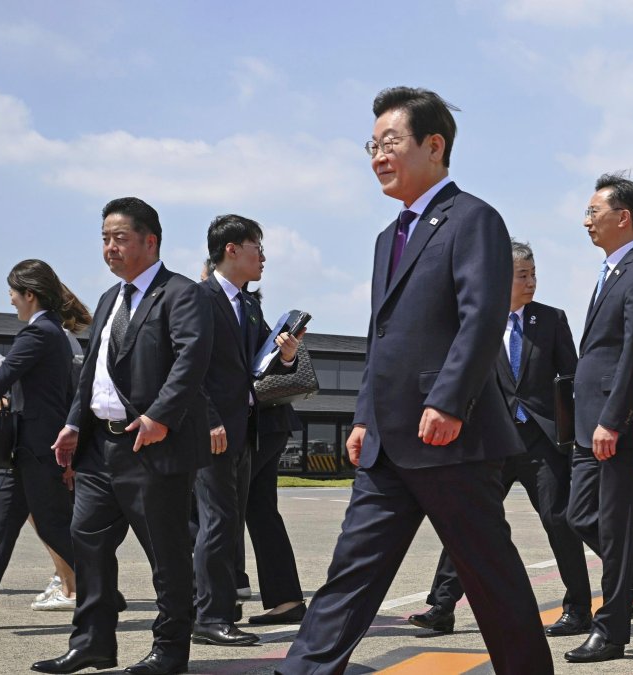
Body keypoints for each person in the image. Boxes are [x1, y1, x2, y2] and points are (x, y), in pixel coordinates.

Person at [279, 87, 552, 675]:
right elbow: (381, 339)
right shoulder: (388, 238)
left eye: (390, 143)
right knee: (351, 573)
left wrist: (449, 401)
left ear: (435, 145)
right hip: (387, 444)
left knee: (491, 579)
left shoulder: (474, 218)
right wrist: (361, 416)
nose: (378, 155)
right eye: (371, 146)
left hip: (450, 439)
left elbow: (481, 317)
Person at [33, 197, 214, 675]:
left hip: (151, 444)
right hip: (99, 448)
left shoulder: (181, 294)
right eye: (104, 239)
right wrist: (74, 423)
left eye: (120, 238)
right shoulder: (111, 299)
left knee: (166, 552)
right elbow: (94, 371)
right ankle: (92, 641)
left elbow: (191, 359)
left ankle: (170, 651)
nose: (110, 248)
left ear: (150, 241)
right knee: (85, 539)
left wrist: (161, 416)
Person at [409, 239, 591, 637]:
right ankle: (442, 607)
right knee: (468, 519)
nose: (531, 282)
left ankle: (579, 608)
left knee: (558, 520)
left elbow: (570, 381)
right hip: (492, 440)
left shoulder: (553, 320)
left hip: (542, 442)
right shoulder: (477, 322)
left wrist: (574, 436)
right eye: (522, 275)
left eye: (534, 274)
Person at [565, 172, 633, 663]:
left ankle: (610, 631)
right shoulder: (610, 271)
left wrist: (615, 418)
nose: (586, 220)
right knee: (578, 514)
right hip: (589, 420)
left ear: (622, 217)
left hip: (616, 423)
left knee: (615, 528)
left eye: (594, 212)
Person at [0, 260, 82, 631]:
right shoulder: (51, 332)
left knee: (55, 527)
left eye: (13, 292)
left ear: (30, 293)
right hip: (23, 450)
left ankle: (101, 589)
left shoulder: (38, 334)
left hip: (37, 448)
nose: (10, 299)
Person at [194, 214, 301, 646]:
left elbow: (256, 367)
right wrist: (209, 419)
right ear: (232, 249)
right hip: (215, 430)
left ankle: (219, 611)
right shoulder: (199, 299)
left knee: (228, 522)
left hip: (246, 429)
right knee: (217, 523)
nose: (264, 256)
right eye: (257, 246)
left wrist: (287, 355)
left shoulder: (249, 304)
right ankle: (210, 616)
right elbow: (187, 367)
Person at [244, 401, 307, 624]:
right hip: (270, 421)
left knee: (218, 507)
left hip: (250, 423)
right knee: (261, 512)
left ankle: (223, 597)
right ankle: (287, 599)